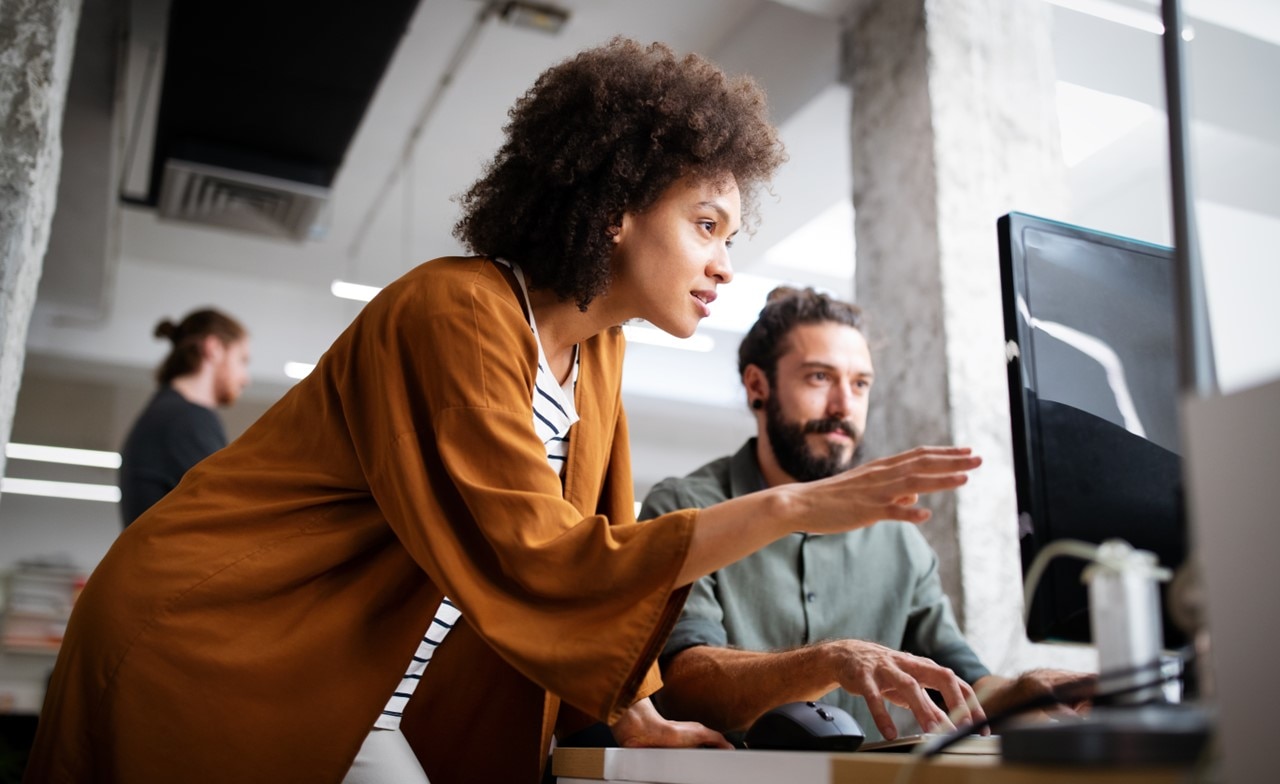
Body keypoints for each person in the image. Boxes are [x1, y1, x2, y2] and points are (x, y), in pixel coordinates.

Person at [25, 40, 981, 784]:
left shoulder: (594, 353)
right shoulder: (456, 311)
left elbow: (595, 546)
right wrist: (790, 508)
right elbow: (540, 556)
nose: (726, 263)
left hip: (363, 689)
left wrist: (639, 715)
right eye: (706, 225)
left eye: (731, 235)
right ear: (617, 208)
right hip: (220, 641)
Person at [642, 287, 1086, 744]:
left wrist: (1025, 692)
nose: (843, 406)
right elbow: (684, 686)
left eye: (860, 384)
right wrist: (829, 661)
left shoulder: (898, 536)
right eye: (819, 377)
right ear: (758, 386)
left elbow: (963, 682)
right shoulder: (684, 509)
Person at [117, 308, 251, 526]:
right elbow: (228, 513)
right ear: (214, 348)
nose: (246, 379)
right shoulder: (186, 418)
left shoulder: (169, 412)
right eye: (242, 360)